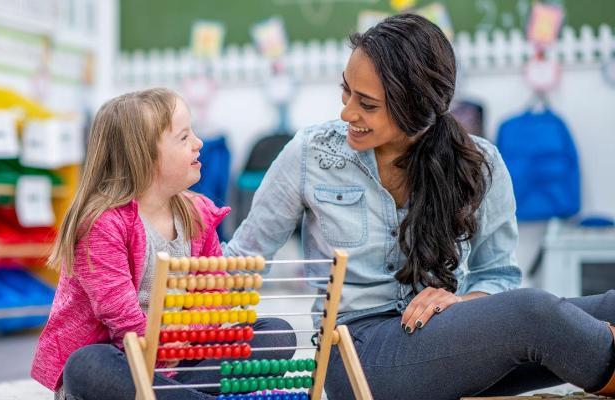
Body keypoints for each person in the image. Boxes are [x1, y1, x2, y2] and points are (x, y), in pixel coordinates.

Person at [223, 14, 615, 400]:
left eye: (368, 104)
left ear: (416, 109)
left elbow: (497, 274)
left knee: (607, 307)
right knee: (534, 313)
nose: (347, 113)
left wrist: (462, 302)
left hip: (446, 342)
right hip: (360, 356)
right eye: (346, 92)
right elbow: (242, 259)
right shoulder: (311, 154)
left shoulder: (481, 163)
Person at [31, 88, 296, 400]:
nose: (198, 143)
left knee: (278, 335)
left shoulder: (198, 214)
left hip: (179, 364)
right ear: (144, 156)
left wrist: (190, 337)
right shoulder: (102, 225)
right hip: (122, 361)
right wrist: (165, 354)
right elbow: (124, 321)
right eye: (184, 138)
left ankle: (177, 394)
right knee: (86, 365)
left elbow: (213, 299)